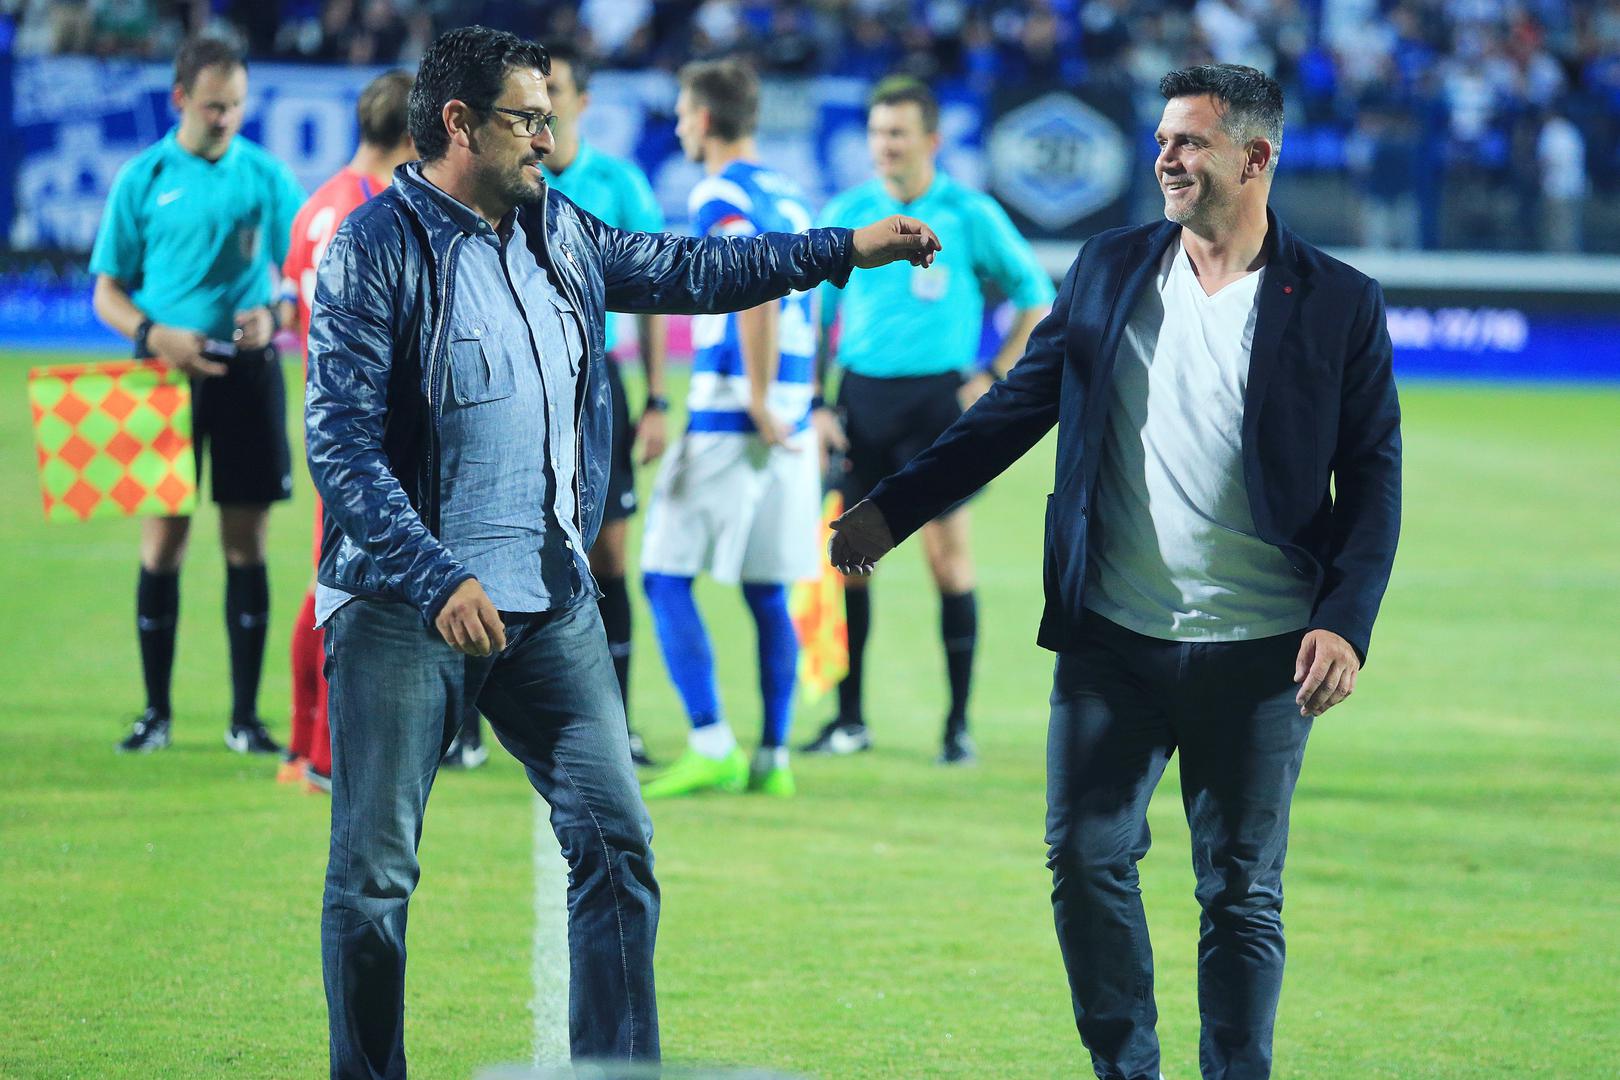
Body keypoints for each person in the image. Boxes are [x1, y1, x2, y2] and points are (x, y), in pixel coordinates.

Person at [304, 26, 938, 1074]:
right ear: (459, 123)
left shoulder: (557, 226)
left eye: (549, 118)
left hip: (549, 606)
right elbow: (340, 447)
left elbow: (694, 270)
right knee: (374, 879)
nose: (548, 140)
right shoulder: (375, 249)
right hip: (404, 609)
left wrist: (839, 250)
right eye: (528, 120)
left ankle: (616, 1072)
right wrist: (435, 575)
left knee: (618, 846)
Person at [829, 64, 1401, 1080]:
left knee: (1240, 893)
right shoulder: (1109, 267)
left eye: (1190, 142)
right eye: (1163, 139)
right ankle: (1126, 1070)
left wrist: (1345, 621)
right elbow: (1014, 411)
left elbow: (1372, 476)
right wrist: (892, 508)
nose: (1165, 159)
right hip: (1113, 640)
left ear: (1256, 157)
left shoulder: (1338, 303)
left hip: (1261, 651)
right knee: (1085, 859)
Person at [802, 76, 1055, 766]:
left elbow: (1034, 293)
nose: (884, 145)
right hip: (860, 403)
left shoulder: (969, 213)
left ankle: (957, 727)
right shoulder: (850, 211)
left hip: (936, 409)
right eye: (877, 133)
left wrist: (991, 373)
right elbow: (818, 314)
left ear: (931, 140)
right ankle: (849, 721)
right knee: (852, 559)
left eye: (898, 133)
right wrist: (818, 401)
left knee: (948, 563)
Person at [90, 36, 306, 755]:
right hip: (162, 376)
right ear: (180, 99)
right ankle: (156, 713)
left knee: (247, 543)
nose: (226, 118)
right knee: (163, 541)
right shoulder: (143, 177)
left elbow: (299, 274)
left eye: (237, 105)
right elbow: (106, 293)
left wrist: (276, 314)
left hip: (246, 374)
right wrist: (154, 334)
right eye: (215, 105)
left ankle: (245, 720)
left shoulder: (266, 176)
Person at [636, 58, 822, 801]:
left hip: (736, 409)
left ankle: (711, 742)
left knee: (664, 575)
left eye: (684, 113)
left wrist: (756, 395)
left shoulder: (720, 192)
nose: (680, 127)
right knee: (767, 587)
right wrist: (796, 399)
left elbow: (756, 284)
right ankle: (774, 757)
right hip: (794, 412)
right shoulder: (791, 194)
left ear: (706, 119)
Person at [279, 69, 418, 793]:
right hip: (362, 428)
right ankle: (326, 759)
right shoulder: (367, 211)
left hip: (327, 417)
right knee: (348, 590)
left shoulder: (318, 204)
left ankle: (301, 746)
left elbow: (287, 308)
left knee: (328, 581)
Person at [540, 41, 671, 768]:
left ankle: (617, 722)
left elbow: (653, 296)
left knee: (609, 553)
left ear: (583, 102)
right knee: (492, 542)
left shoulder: (619, 184)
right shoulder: (508, 178)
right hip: (521, 381)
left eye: (555, 89)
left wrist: (657, 400)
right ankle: (469, 726)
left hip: (597, 383)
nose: (542, 103)